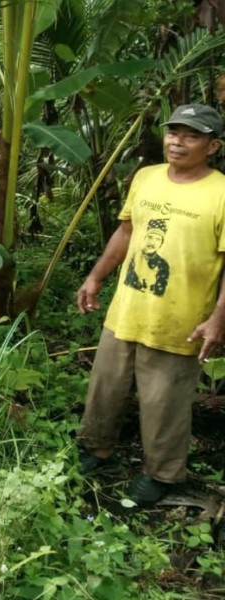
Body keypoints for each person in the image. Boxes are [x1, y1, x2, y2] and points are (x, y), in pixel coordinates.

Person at [76, 103, 225, 506]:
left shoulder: (221, 193)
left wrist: (217, 320)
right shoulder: (146, 177)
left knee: (166, 399)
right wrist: (96, 276)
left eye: (191, 135)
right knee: (105, 386)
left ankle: (162, 472)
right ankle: (96, 449)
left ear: (212, 146)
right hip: (127, 308)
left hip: (181, 317)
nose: (177, 142)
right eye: (173, 132)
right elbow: (126, 231)